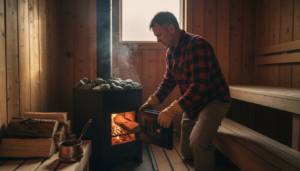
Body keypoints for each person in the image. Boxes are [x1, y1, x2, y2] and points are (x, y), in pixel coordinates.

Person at [139, 12, 231, 171]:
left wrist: (173, 109)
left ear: (171, 28)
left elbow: (199, 85)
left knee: (198, 141)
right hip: (193, 102)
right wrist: (153, 100)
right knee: (187, 152)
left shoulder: (197, 45)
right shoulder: (171, 52)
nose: (158, 40)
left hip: (214, 100)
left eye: (159, 35)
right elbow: (169, 80)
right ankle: (216, 158)